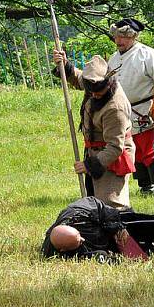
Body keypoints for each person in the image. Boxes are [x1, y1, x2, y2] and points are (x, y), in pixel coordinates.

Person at [52, 53, 135, 209]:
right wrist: (64, 65)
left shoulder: (115, 108)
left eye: (98, 92)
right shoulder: (94, 84)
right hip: (95, 150)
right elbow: (79, 79)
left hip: (112, 156)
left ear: (108, 83)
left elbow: (115, 147)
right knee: (94, 202)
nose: (95, 95)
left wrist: (89, 165)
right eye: (92, 92)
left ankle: (125, 233)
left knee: (112, 205)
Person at [106, 18, 154, 197]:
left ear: (133, 36)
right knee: (132, 149)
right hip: (123, 113)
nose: (119, 41)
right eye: (117, 37)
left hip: (145, 110)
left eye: (124, 37)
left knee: (151, 149)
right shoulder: (113, 59)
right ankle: (145, 186)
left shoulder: (148, 54)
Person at [41, 196, 154, 261]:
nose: (81, 239)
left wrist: (117, 228)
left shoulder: (76, 213)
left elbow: (96, 203)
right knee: (150, 255)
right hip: (110, 245)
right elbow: (97, 257)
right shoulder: (55, 252)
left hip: (113, 223)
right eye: (77, 242)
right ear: (63, 249)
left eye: (79, 236)